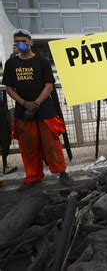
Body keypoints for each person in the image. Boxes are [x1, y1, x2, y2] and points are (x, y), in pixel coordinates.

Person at [1, 29, 72, 191]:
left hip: (45, 111)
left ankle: (62, 172)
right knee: (29, 148)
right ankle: (33, 177)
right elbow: (9, 87)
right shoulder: (11, 64)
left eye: (24, 41)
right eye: (17, 41)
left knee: (52, 145)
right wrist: (25, 104)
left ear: (31, 42)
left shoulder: (42, 62)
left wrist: (36, 104)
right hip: (23, 112)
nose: (21, 44)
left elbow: (49, 85)